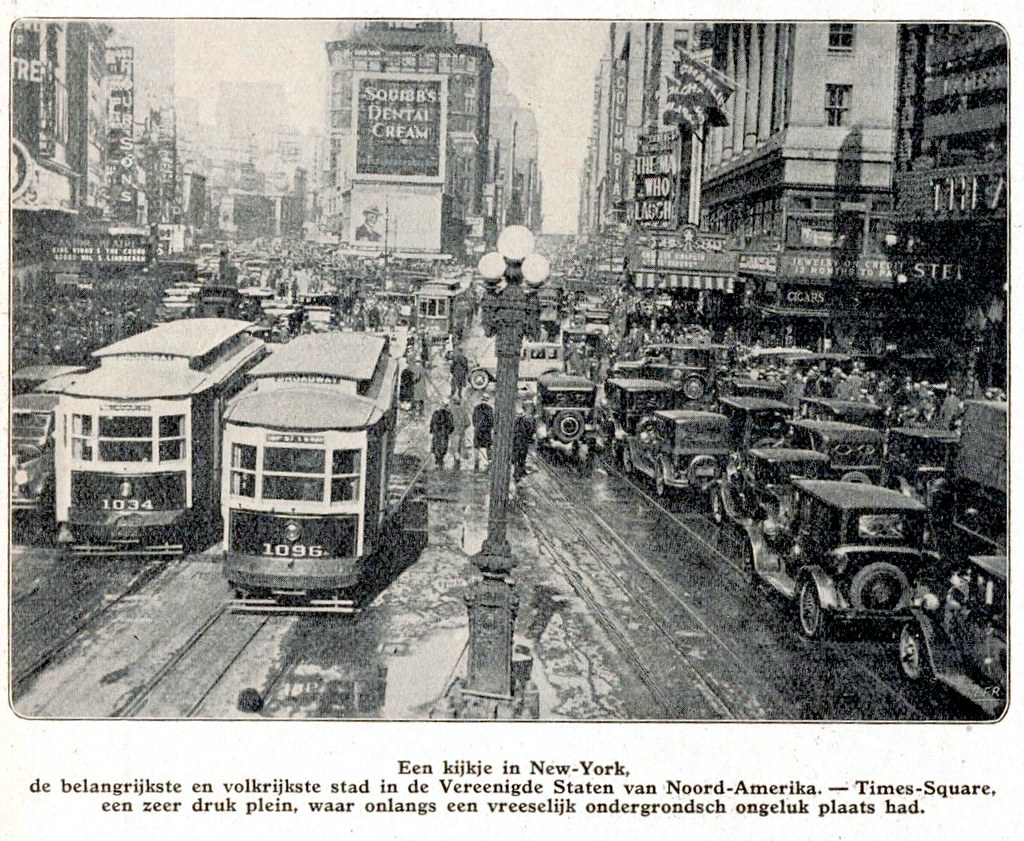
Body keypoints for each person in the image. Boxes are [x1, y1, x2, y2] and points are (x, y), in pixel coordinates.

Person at [511, 403, 536, 486]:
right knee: (520, 459)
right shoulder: (526, 421)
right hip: (522, 443)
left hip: (517, 443)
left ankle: (519, 473)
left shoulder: (517, 421)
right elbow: (530, 432)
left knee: (519, 458)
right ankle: (518, 476)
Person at [471, 398, 495, 472]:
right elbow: (492, 421)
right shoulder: (490, 408)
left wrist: (476, 426)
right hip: (486, 431)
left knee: (476, 447)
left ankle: (476, 462)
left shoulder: (476, 408)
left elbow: (473, 419)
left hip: (478, 430)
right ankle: (490, 460)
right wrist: (489, 427)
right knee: (488, 446)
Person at [430, 401, 454, 469]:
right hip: (444, 433)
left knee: (436, 445)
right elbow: (451, 425)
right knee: (443, 446)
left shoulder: (436, 413)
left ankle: (437, 459)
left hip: (437, 432)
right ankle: (440, 459)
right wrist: (449, 431)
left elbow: (432, 423)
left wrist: (432, 430)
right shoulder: (449, 414)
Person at [450, 397, 470, 470]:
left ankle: (456, 461)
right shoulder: (463, 411)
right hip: (461, 432)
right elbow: (468, 422)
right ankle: (457, 461)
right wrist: (463, 428)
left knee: (454, 448)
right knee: (459, 447)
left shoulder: (451, 411)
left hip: (454, 432)